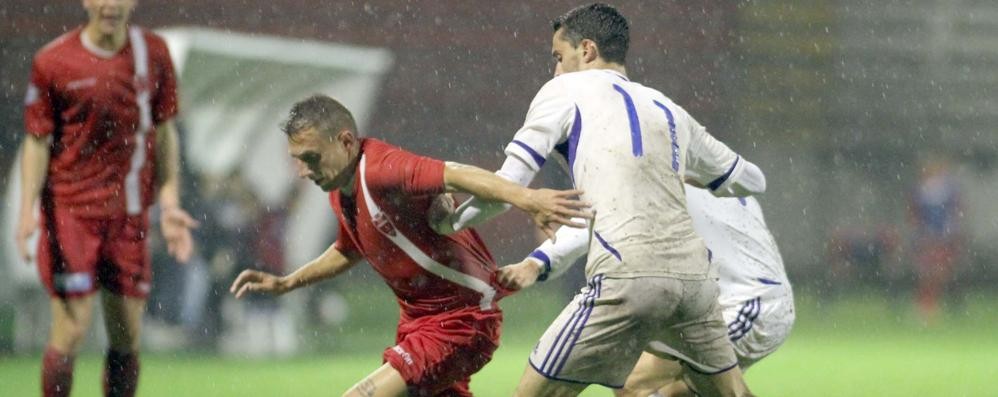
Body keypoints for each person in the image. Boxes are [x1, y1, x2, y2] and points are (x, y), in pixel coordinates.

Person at [433, 4, 765, 396]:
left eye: (559, 57)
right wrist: (697, 175)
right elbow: (751, 180)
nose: (555, 70)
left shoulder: (562, 90)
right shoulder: (668, 108)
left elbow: (508, 188)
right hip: (696, 283)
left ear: (586, 50)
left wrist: (447, 223)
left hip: (627, 276)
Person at [229, 94, 590, 397]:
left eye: (311, 158)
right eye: (299, 161)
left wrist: (529, 199)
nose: (304, 172)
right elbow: (348, 249)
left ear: (344, 141)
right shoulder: (343, 191)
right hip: (422, 325)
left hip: (462, 323)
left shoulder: (382, 169)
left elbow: (457, 173)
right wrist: (287, 282)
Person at [14, 0, 198, 396]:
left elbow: (165, 133)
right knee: (73, 326)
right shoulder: (53, 61)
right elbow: (37, 140)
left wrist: (169, 203)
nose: (111, 4)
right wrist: (27, 209)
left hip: (129, 215)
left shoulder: (153, 53)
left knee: (126, 336)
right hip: (71, 212)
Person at [492, 187, 794, 397]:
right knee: (679, 392)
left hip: (749, 306)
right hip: (738, 304)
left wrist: (537, 263)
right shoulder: (718, 183)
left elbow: (596, 221)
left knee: (633, 382)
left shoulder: (662, 185)